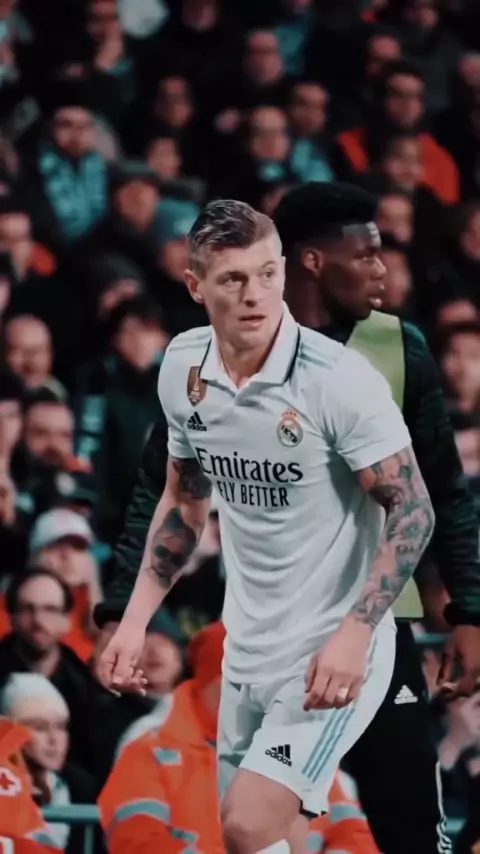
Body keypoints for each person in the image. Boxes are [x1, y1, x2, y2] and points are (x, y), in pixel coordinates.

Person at [98, 196, 435, 854]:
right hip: (247, 647)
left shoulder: (337, 381)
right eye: (232, 279)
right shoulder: (184, 368)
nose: (254, 295)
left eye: (267, 273)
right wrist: (133, 623)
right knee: (258, 842)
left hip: (333, 651)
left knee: (247, 824)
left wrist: (356, 634)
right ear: (195, 286)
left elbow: (414, 510)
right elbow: (184, 501)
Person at [273, 181, 480, 854]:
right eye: (365, 255)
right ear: (311, 261)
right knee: (258, 828)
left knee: (411, 827)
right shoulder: (230, 351)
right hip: (272, 626)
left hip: (380, 622)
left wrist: (471, 612)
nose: (383, 270)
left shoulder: (399, 347)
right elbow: (165, 488)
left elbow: (446, 490)